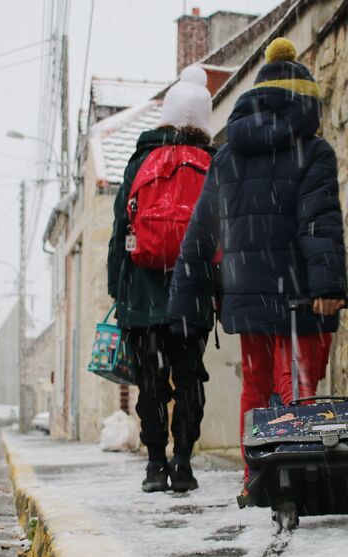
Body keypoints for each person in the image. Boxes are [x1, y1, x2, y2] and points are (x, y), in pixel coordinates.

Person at [167, 38, 347, 485]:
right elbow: (317, 222)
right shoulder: (314, 151)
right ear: (305, 101)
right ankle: (297, 468)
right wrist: (328, 286)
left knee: (256, 382)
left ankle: (257, 472)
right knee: (297, 383)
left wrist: (183, 300)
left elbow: (202, 230)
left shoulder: (228, 154)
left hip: (246, 290)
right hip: (300, 291)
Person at [107, 65, 216, 493]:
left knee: (151, 383)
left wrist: (118, 289)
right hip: (192, 294)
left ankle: (155, 464)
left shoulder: (140, 161)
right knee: (190, 377)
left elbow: (120, 229)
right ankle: (184, 462)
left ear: (167, 117)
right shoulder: (210, 162)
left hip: (143, 292)